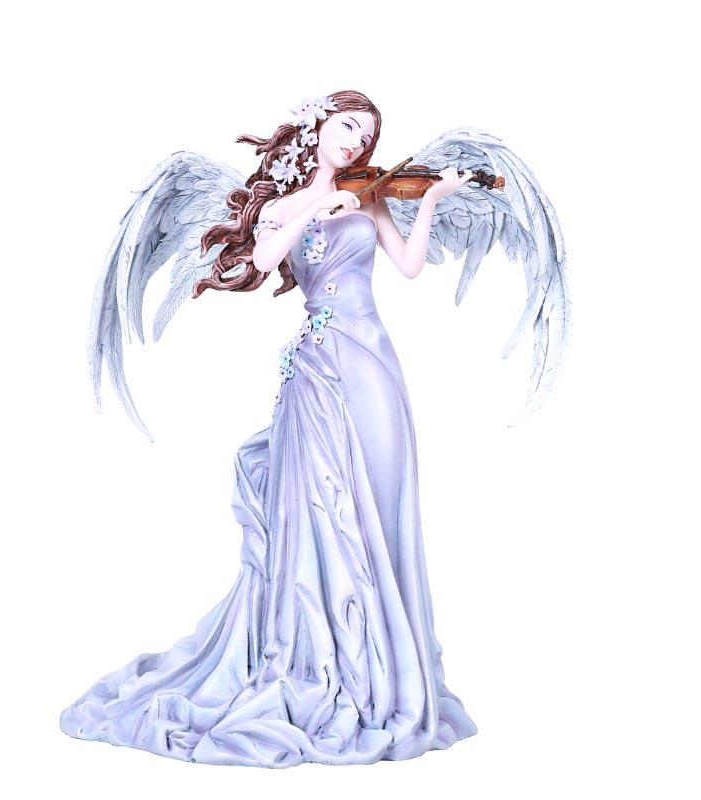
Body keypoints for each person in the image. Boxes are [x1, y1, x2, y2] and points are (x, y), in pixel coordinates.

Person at [61, 89, 566, 767]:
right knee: (322, 506)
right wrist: (317, 205)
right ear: (317, 126)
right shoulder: (281, 205)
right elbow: (264, 260)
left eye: (367, 134)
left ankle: (387, 665)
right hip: (320, 361)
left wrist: (433, 201)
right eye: (348, 126)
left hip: (373, 360)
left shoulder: (373, 195)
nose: (357, 141)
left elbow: (409, 265)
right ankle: (321, 655)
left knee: (382, 495)